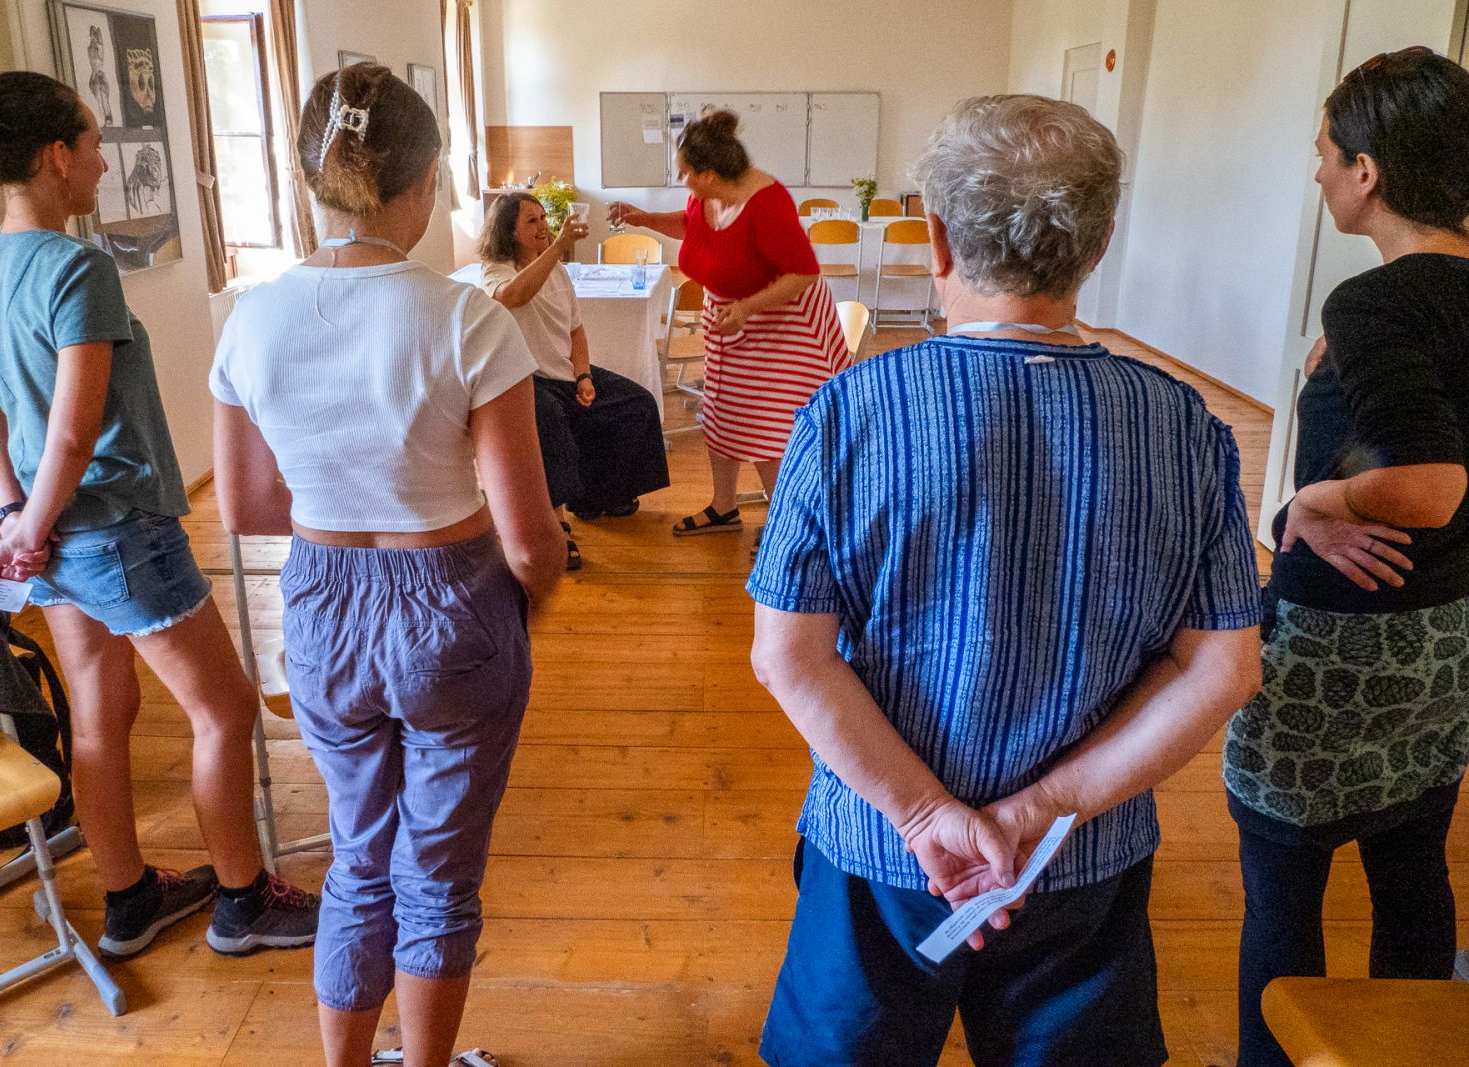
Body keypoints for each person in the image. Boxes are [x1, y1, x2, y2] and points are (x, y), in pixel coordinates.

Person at [746, 94, 1264, 1066]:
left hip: (881, 848)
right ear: (1099, 243)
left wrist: (924, 813)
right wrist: (1037, 811)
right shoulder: (1184, 427)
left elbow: (788, 656)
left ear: (934, 236)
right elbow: (1224, 669)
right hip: (1082, 854)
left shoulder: (849, 413)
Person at [0, 71, 318, 962]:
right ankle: (244, 901)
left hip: (52, 540)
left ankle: (129, 902)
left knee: (99, 717)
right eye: (93, 144)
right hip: (119, 534)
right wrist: (29, 523)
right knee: (225, 709)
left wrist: (16, 518)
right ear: (57, 155)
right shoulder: (78, 267)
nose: (100, 162)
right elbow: (74, 429)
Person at [210, 64, 565, 1067]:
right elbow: (530, 537)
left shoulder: (252, 319)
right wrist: (532, 591)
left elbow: (244, 507)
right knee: (438, 875)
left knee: (358, 858)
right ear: (423, 184)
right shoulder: (465, 318)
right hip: (453, 596)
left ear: (309, 182)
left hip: (320, 604)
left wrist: (342, 503)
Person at [1223, 46, 1469, 1067]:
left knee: (1283, 890)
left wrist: (1311, 501)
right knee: (1412, 872)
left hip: (1339, 651)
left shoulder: (1375, 304)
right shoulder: (1424, 304)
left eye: (1326, 152)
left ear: (1367, 172)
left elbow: (1430, 482)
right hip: (1445, 642)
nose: (1318, 170)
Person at [608, 110, 849, 541]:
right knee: (722, 413)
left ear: (710, 174)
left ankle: (786, 527)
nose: (681, 180)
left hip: (783, 321)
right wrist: (646, 219)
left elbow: (803, 273)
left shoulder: (767, 203)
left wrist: (747, 309)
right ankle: (724, 507)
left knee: (771, 424)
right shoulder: (706, 196)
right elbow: (692, 226)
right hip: (731, 315)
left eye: (685, 172)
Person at [478, 192, 670, 570]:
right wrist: (558, 248)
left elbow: (576, 330)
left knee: (637, 402)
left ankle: (601, 495)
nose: (542, 227)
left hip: (562, 370)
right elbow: (513, 295)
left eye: (542, 218)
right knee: (550, 421)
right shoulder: (496, 269)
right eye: (531, 221)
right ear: (508, 230)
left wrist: (583, 375)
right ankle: (557, 525)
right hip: (521, 376)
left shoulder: (557, 270)